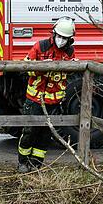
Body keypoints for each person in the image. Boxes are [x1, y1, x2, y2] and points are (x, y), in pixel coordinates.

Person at [17, 17, 76, 173]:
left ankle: (36, 165)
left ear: (70, 39)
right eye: (59, 36)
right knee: (30, 132)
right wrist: (43, 67)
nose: (61, 40)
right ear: (54, 33)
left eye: (65, 38)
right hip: (35, 99)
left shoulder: (69, 52)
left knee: (44, 136)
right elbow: (26, 67)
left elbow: (68, 73)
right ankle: (22, 163)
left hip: (54, 101)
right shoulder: (40, 47)